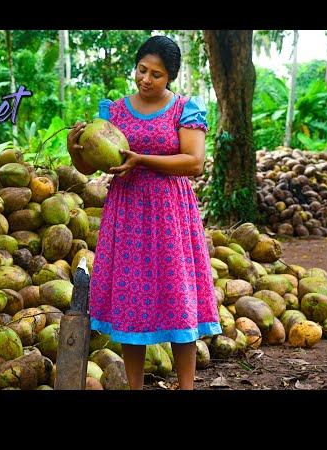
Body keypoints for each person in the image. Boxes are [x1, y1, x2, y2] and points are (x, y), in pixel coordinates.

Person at [66, 35, 221, 390]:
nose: (146, 80)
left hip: (170, 214)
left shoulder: (184, 108)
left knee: (177, 297)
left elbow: (194, 162)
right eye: (142, 70)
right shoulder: (115, 111)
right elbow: (90, 169)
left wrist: (142, 160)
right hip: (128, 213)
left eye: (157, 74)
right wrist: (74, 149)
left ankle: (186, 387)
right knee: (129, 302)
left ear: (171, 78)